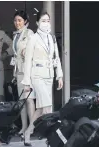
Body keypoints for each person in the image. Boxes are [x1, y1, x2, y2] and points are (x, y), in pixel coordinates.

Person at [22, 11, 63, 146]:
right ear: (38, 23)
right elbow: (27, 61)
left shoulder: (51, 38)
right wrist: (26, 82)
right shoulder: (33, 38)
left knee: (40, 108)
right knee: (47, 106)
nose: (46, 23)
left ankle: (28, 132)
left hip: (49, 75)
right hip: (37, 75)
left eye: (48, 20)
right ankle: (50, 135)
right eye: (43, 21)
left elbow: (56, 58)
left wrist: (60, 75)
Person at [12, 10, 36, 137]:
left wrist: (27, 51)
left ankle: (32, 127)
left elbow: (33, 50)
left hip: (28, 71)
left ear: (25, 21)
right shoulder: (15, 34)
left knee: (29, 99)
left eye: (20, 20)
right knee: (21, 100)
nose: (17, 23)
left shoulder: (29, 33)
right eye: (15, 20)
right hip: (19, 71)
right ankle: (24, 126)